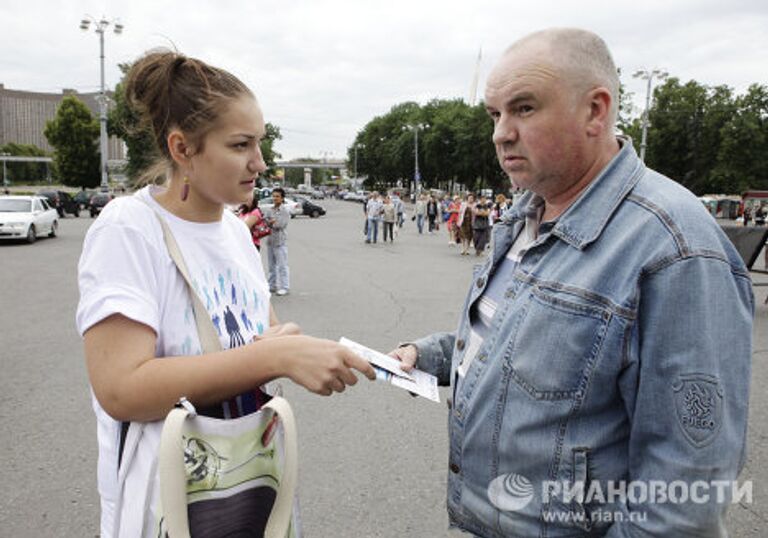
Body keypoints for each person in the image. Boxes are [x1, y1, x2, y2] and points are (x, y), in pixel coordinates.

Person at [390, 28, 752, 537]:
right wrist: (428, 355)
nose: (500, 133)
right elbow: (517, 343)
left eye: (524, 108)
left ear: (595, 111)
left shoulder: (675, 248)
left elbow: (686, 493)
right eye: (496, 114)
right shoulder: (526, 215)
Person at [76, 50, 376, 537]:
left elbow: (253, 338)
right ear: (182, 149)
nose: (260, 161)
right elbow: (121, 388)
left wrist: (282, 342)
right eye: (241, 145)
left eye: (259, 142)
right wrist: (275, 358)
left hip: (248, 483)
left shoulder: (236, 232)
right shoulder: (129, 229)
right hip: (168, 504)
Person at [264, 187, 291, 295]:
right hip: (270, 241)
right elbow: (265, 222)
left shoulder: (284, 211)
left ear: (282, 198)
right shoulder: (270, 210)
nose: (275, 198)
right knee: (271, 266)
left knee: (282, 265)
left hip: (280, 242)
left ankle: (285, 287)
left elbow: (280, 224)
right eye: (274, 196)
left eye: (277, 196)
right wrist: (271, 222)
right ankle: (272, 285)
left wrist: (271, 222)